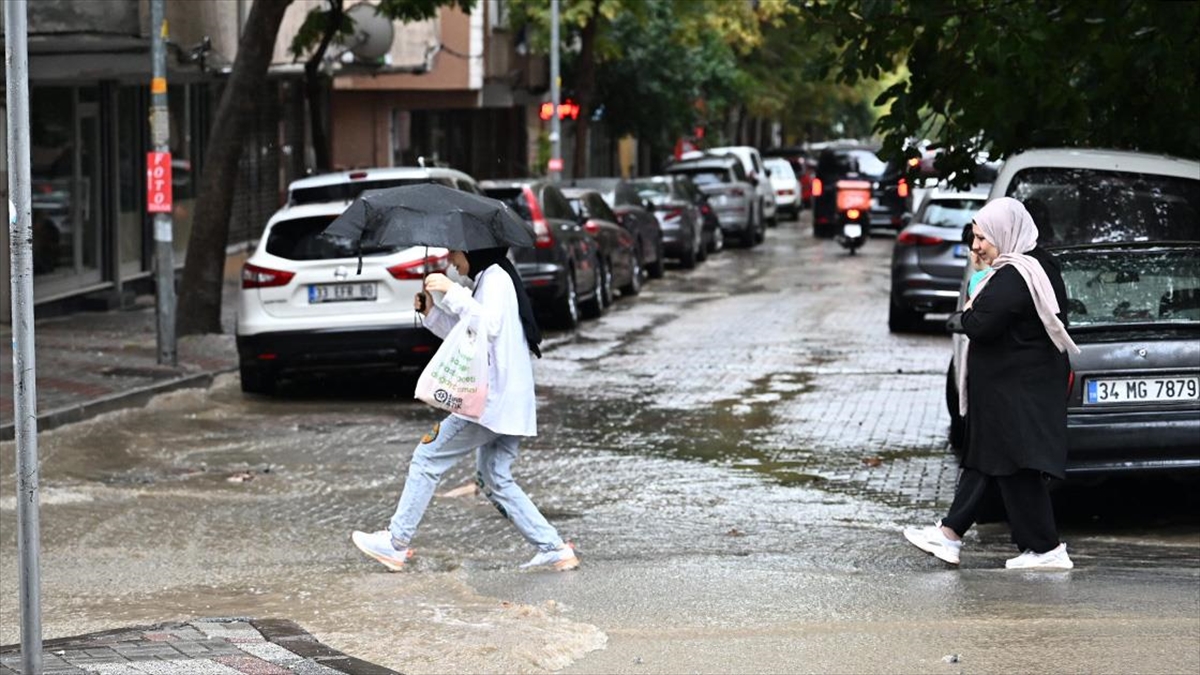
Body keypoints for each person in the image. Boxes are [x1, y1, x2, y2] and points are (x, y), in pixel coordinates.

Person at [351, 247, 579, 572]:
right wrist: (432, 312)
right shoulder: (489, 277)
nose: (452, 260)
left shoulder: (497, 278)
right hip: (507, 400)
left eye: (456, 251)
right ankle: (554, 548)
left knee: (426, 457)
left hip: (492, 402)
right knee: (494, 477)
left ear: (474, 249)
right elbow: (470, 335)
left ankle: (396, 543)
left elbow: (490, 324)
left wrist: (451, 290)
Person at [904, 197, 1080, 570]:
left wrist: (968, 306)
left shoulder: (1017, 275)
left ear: (1006, 233)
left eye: (983, 237)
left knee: (1005, 463)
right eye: (974, 237)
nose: (976, 246)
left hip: (1015, 391)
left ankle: (966, 537)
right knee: (999, 463)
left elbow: (979, 324)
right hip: (1013, 390)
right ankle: (1034, 547)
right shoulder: (1035, 266)